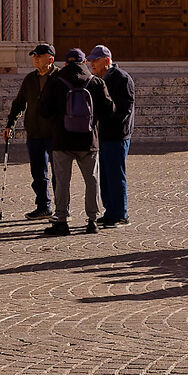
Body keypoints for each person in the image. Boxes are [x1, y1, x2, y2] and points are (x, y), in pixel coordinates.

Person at [40, 48, 111, 235]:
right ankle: (92, 221)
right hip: (89, 141)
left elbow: (44, 110)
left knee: (62, 181)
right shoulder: (95, 82)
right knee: (92, 180)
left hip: (62, 140)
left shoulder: (55, 81)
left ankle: (62, 220)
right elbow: (109, 109)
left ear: (65, 64)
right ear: (84, 63)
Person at [4, 44, 59, 219]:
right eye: (34, 56)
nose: (35, 58)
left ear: (50, 59)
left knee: (59, 173)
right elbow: (19, 103)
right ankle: (43, 206)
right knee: (38, 173)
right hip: (34, 133)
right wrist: (10, 125)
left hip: (55, 133)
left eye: (39, 56)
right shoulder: (30, 79)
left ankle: (62, 209)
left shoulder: (59, 78)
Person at [87, 44, 134, 226]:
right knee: (105, 175)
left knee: (115, 174)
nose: (92, 64)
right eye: (90, 60)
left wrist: (107, 116)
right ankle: (110, 211)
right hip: (104, 135)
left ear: (106, 61)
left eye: (95, 61)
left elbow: (125, 109)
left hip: (118, 135)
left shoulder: (122, 79)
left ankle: (120, 213)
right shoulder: (98, 80)